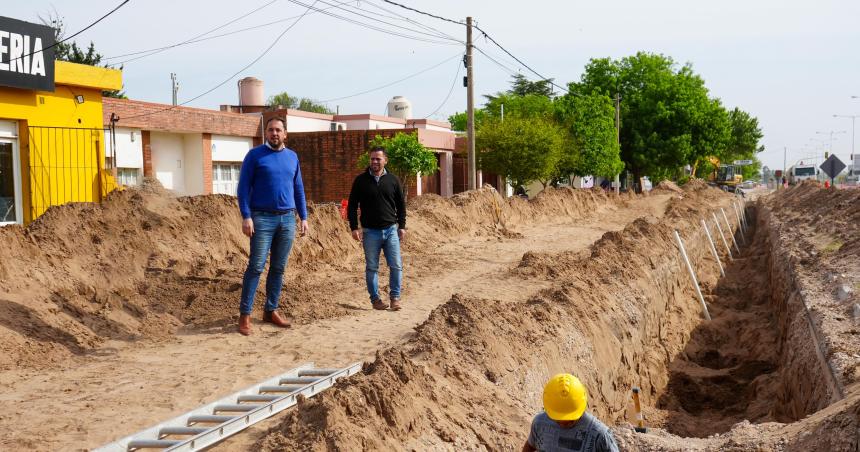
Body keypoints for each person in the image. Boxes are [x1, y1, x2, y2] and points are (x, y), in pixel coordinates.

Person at [235, 116, 308, 336]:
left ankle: (270, 310)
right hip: (262, 219)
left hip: (287, 219)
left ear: (285, 134)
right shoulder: (255, 156)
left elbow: (299, 190)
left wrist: (303, 217)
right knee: (256, 266)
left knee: (278, 268)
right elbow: (243, 188)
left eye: (278, 130)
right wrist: (246, 216)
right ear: (265, 133)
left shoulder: (292, 157)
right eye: (270, 130)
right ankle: (245, 315)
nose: (274, 133)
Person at [347, 146, 406, 311]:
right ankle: (375, 300)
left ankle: (395, 298)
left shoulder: (393, 180)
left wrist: (402, 226)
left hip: (391, 230)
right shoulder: (360, 181)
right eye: (372, 158)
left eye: (378, 159)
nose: (374, 161)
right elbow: (352, 205)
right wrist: (354, 227)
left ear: (385, 160)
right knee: (372, 267)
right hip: (370, 232)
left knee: (396, 265)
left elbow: (401, 206)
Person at [522, 373, 619, 452]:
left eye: (571, 420)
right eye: (559, 419)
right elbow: (530, 446)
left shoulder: (600, 435)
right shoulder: (540, 423)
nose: (564, 423)